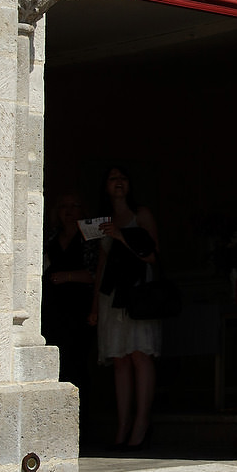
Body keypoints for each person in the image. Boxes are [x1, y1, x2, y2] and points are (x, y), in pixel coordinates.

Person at [87, 165, 160, 451]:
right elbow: (101, 265)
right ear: (105, 186)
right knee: (119, 359)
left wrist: (121, 235)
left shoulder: (141, 215)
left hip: (137, 292)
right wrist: (94, 305)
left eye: (123, 177)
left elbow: (153, 255)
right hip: (111, 294)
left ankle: (141, 423)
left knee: (139, 354)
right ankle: (123, 425)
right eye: (112, 178)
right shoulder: (101, 220)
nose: (118, 182)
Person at [41, 191, 95, 395]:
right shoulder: (50, 237)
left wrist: (68, 276)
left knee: (77, 364)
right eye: (64, 207)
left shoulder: (89, 236)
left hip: (80, 309)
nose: (69, 211)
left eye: (74, 206)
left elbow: (98, 272)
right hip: (52, 308)